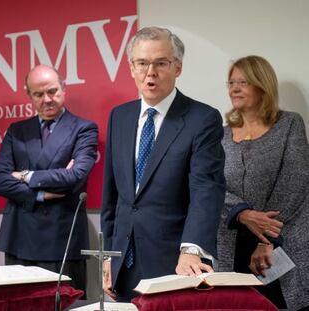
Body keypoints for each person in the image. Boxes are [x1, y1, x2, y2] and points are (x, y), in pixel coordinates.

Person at [100, 26, 226, 302]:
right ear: (131, 68)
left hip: (175, 263)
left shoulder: (202, 119)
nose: (150, 72)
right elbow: (112, 197)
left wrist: (192, 249)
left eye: (161, 63)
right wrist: (108, 255)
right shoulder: (118, 117)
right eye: (142, 63)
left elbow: (207, 189)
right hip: (124, 263)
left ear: (178, 67)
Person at [0, 65, 98, 294]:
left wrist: (24, 175)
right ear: (29, 95)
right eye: (38, 94)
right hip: (19, 237)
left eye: (52, 91)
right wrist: (39, 194)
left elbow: (75, 176)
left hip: (61, 237)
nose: (47, 99)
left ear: (64, 88)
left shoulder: (83, 129)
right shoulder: (17, 130)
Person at [217, 55, 309, 310]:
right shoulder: (220, 135)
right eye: (231, 82)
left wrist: (266, 240)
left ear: (262, 86)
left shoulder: (289, 124)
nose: (234, 88)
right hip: (231, 243)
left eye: (243, 82)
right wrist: (242, 212)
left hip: (278, 243)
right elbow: (211, 186)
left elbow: (294, 182)